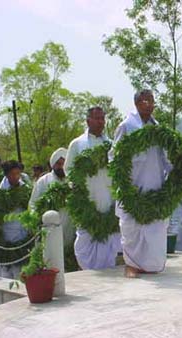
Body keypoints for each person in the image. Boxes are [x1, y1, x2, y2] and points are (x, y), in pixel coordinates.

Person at [110, 89, 172, 278]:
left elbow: (165, 156)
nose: (149, 104)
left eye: (152, 101)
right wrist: (124, 182)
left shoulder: (158, 128)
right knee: (132, 230)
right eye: (145, 101)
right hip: (133, 186)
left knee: (155, 229)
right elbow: (114, 155)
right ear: (137, 103)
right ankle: (131, 264)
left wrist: (175, 171)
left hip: (155, 184)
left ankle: (150, 265)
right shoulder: (127, 126)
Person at [65, 106, 121, 270]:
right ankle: (87, 270)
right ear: (88, 120)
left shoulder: (110, 144)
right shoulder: (77, 144)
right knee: (85, 238)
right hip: (87, 198)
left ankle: (108, 268)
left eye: (103, 118)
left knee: (109, 237)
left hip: (107, 195)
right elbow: (69, 170)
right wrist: (77, 187)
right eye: (97, 118)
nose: (100, 122)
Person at [29, 148, 75, 246]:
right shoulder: (43, 181)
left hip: (69, 225)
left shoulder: (72, 180)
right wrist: (37, 218)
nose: (61, 167)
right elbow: (33, 203)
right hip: (49, 225)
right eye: (58, 164)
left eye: (64, 164)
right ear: (53, 165)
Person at [0, 160, 28, 279]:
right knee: (9, 270)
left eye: (18, 173)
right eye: (13, 174)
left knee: (23, 268)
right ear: (6, 175)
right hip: (9, 233)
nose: (16, 177)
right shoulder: (0, 193)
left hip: (24, 232)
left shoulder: (25, 188)